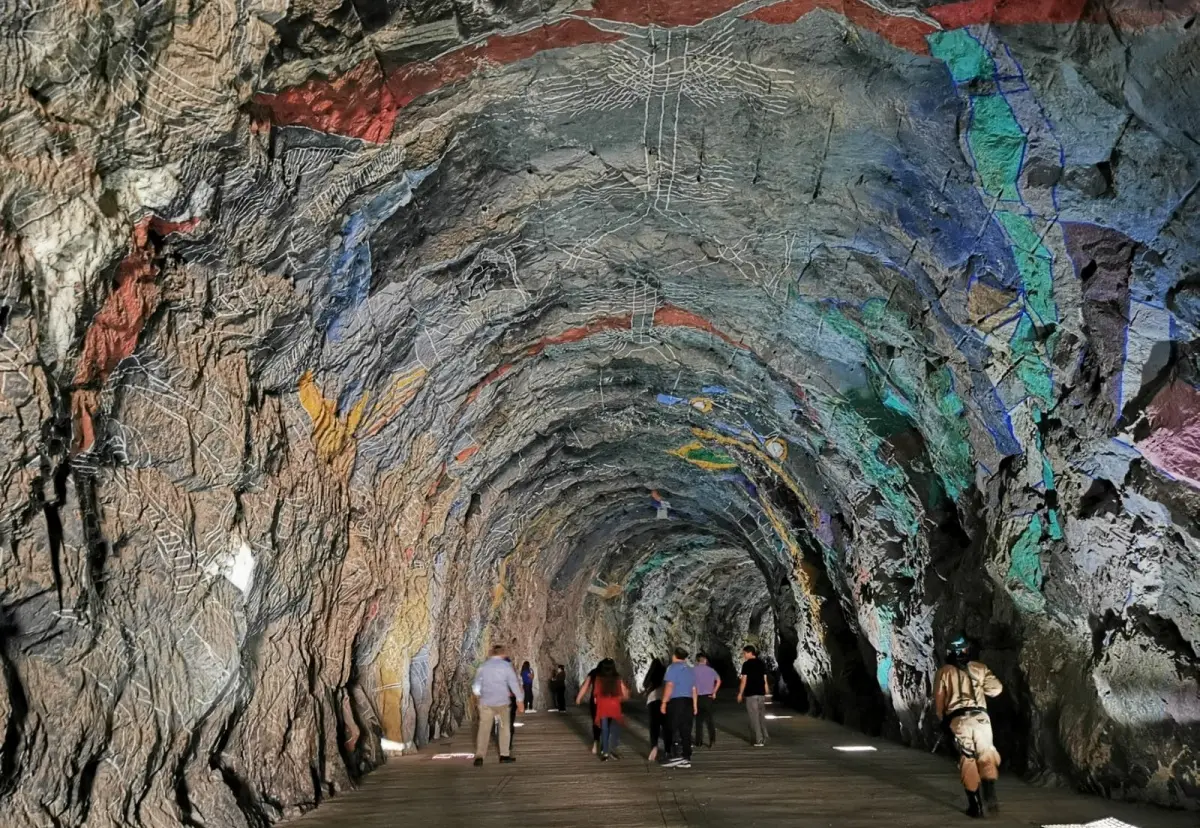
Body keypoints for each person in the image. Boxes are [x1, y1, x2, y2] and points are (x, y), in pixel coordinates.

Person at [935, 636, 1004, 818]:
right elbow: (997, 689)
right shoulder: (979, 668)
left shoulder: (944, 672)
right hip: (981, 719)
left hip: (959, 721)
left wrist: (942, 721)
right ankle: (989, 788)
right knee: (986, 754)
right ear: (966, 650)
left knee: (968, 758)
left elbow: (939, 701)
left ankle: (975, 805)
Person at [471, 645, 523, 766]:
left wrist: (479, 694)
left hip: (486, 703)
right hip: (502, 703)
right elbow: (514, 683)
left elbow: (476, 685)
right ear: (502, 654)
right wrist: (519, 700)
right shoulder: (506, 666)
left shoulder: (483, 666)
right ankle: (504, 755)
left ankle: (480, 756)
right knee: (504, 728)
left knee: (484, 729)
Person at [660, 647, 698, 768]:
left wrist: (664, 702)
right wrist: (695, 705)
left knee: (673, 728)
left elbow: (670, 685)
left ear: (674, 656)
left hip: (676, 701)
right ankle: (686, 756)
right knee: (686, 730)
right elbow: (694, 689)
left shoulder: (672, 668)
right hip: (688, 701)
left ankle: (676, 755)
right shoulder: (690, 670)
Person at [593, 659, 630, 761]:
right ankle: (613, 749)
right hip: (614, 705)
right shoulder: (617, 678)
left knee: (604, 729)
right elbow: (623, 693)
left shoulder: (599, 679)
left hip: (603, 706)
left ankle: (605, 752)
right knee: (615, 729)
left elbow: (596, 695)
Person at [737, 645, 769, 746]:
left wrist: (740, 693)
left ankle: (759, 740)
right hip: (761, 693)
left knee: (754, 717)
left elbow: (743, 681)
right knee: (761, 716)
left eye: (744, 653)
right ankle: (765, 735)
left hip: (751, 694)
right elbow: (764, 678)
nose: (744, 655)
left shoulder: (746, 665)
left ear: (750, 653)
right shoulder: (761, 663)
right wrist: (766, 689)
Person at [575, 659, 605, 754]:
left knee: (596, 722)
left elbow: (586, 685)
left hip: (596, 701)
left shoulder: (594, 672)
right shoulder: (612, 672)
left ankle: (596, 744)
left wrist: (579, 698)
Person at [693, 652, 721, 747]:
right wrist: (714, 692)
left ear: (697, 661)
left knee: (698, 721)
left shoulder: (693, 671)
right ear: (705, 660)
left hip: (698, 697)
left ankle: (699, 741)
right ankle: (712, 739)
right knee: (710, 720)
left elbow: (693, 686)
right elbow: (719, 681)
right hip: (708, 697)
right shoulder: (711, 670)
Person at [642, 658, 667, 761]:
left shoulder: (651, 676)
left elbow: (644, 684)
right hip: (664, 700)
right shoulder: (665, 674)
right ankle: (667, 749)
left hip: (652, 701)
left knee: (654, 726)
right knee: (665, 725)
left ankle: (654, 747)